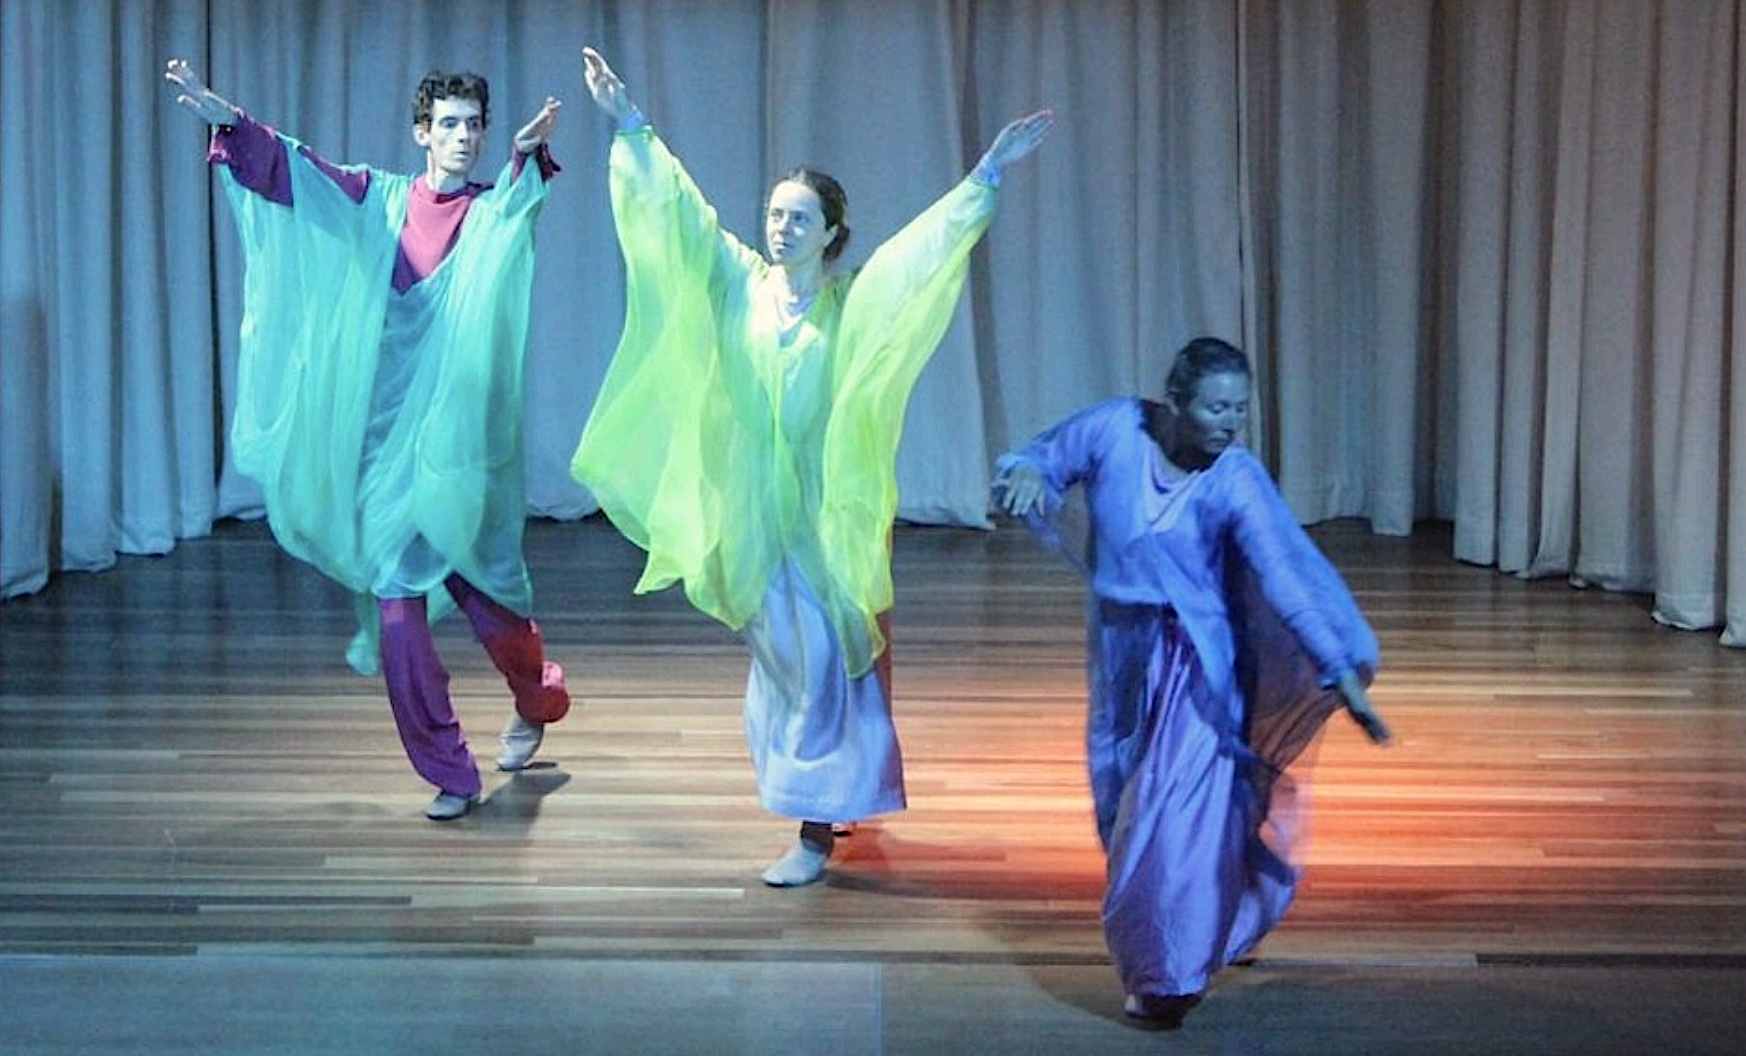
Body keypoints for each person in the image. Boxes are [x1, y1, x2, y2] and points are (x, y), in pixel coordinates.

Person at [571, 47, 1052, 886]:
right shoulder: (739, 285)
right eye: (775, 213)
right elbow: (681, 214)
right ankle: (834, 797)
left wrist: (982, 178)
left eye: (799, 218)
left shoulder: (848, 305)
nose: (781, 226)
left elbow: (915, 260)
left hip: (827, 518)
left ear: (831, 233)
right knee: (790, 663)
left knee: (829, 658)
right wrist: (631, 122)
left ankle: (814, 829)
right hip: (753, 514)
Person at [165, 59, 573, 821]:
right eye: (448, 124)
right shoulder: (376, 202)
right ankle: (451, 769)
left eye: (474, 126)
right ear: (422, 132)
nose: (463, 137)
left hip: (463, 453)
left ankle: (538, 697)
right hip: (386, 451)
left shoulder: (490, 212)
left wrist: (523, 156)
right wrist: (232, 122)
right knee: (396, 614)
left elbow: (522, 204)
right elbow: (299, 173)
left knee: (494, 608)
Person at [991, 337, 1392, 1025]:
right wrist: (1026, 471)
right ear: (1174, 403)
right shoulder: (1117, 427)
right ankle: (1222, 912)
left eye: (1240, 406)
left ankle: (1164, 977)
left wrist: (1340, 674)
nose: (1230, 421)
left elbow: (1286, 578)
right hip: (1123, 653)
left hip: (1197, 669)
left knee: (1170, 818)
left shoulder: (1235, 477)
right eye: (1215, 406)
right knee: (1122, 803)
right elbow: (1038, 457)